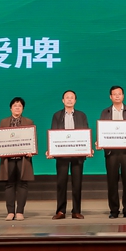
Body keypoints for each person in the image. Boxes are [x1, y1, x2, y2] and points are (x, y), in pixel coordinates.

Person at [0, 97, 34, 221]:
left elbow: (32, 139)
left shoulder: (28, 121)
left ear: (23, 108)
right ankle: (10, 212)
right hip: (8, 159)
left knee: (22, 184)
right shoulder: (3, 122)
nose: (17, 108)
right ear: (11, 108)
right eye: (15, 106)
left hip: (23, 159)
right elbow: (0, 139)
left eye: (20, 106)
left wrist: (31, 150)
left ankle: (20, 212)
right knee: (9, 184)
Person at [49, 90, 90, 220]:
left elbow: (85, 133)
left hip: (78, 155)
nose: (69, 99)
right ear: (63, 100)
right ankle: (61, 211)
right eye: (67, 97)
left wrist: (88, 148)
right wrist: (51, 149)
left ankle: (76, 211)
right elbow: (53, 133)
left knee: (77, 184)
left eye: (72, 98)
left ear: (75, 100)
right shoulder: (57, 115)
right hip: (62, 155)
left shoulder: (81, 115)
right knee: (61, 184)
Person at [99, 85, 126, 218]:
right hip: (111, 153)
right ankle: (114, 210)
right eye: (114, 94)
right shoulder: (105, 112)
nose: (117, 96)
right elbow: (102, 130)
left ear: (123, 96)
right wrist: (100, 141)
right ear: (110, 97)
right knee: (112, 182)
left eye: (119, 94)